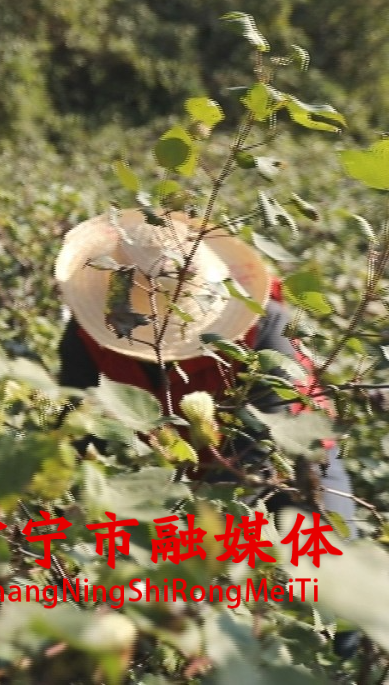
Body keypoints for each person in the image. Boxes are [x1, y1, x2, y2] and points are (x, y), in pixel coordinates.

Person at [53, 209, 356, 528]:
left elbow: (262, 451)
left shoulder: (265, 330)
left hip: (290, 465)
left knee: (320, 551)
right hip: (175, 469)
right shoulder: (88, 332)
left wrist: (194, 522)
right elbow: (78, 427)